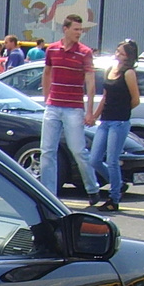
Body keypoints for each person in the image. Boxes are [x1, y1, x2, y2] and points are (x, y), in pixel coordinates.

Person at [40, 15, 101, 206]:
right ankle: (49, 194)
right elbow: (47, 73)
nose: (79, 33)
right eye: (75, 29)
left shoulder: (84, 52)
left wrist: (89, 111)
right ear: (65, 29)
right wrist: (47, 98)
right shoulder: (52, 49)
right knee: (47, 151)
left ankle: (92, 188)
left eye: (80, 30)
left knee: (78, 151)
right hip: (53, 105)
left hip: (73, 107)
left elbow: (90, 82)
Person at [91, 39, 140, 213]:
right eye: (117, 51)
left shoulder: (129, 73)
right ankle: (118, 184)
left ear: (128, 56)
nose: (117, 54)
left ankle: (114, 198)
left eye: (121, 52)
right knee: (94, 159)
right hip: (105, 121)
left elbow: (135, 99)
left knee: (112, 160)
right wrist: (94, 115)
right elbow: (105, 96)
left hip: (119, 122)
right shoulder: (110, 70)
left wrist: (122, 111)